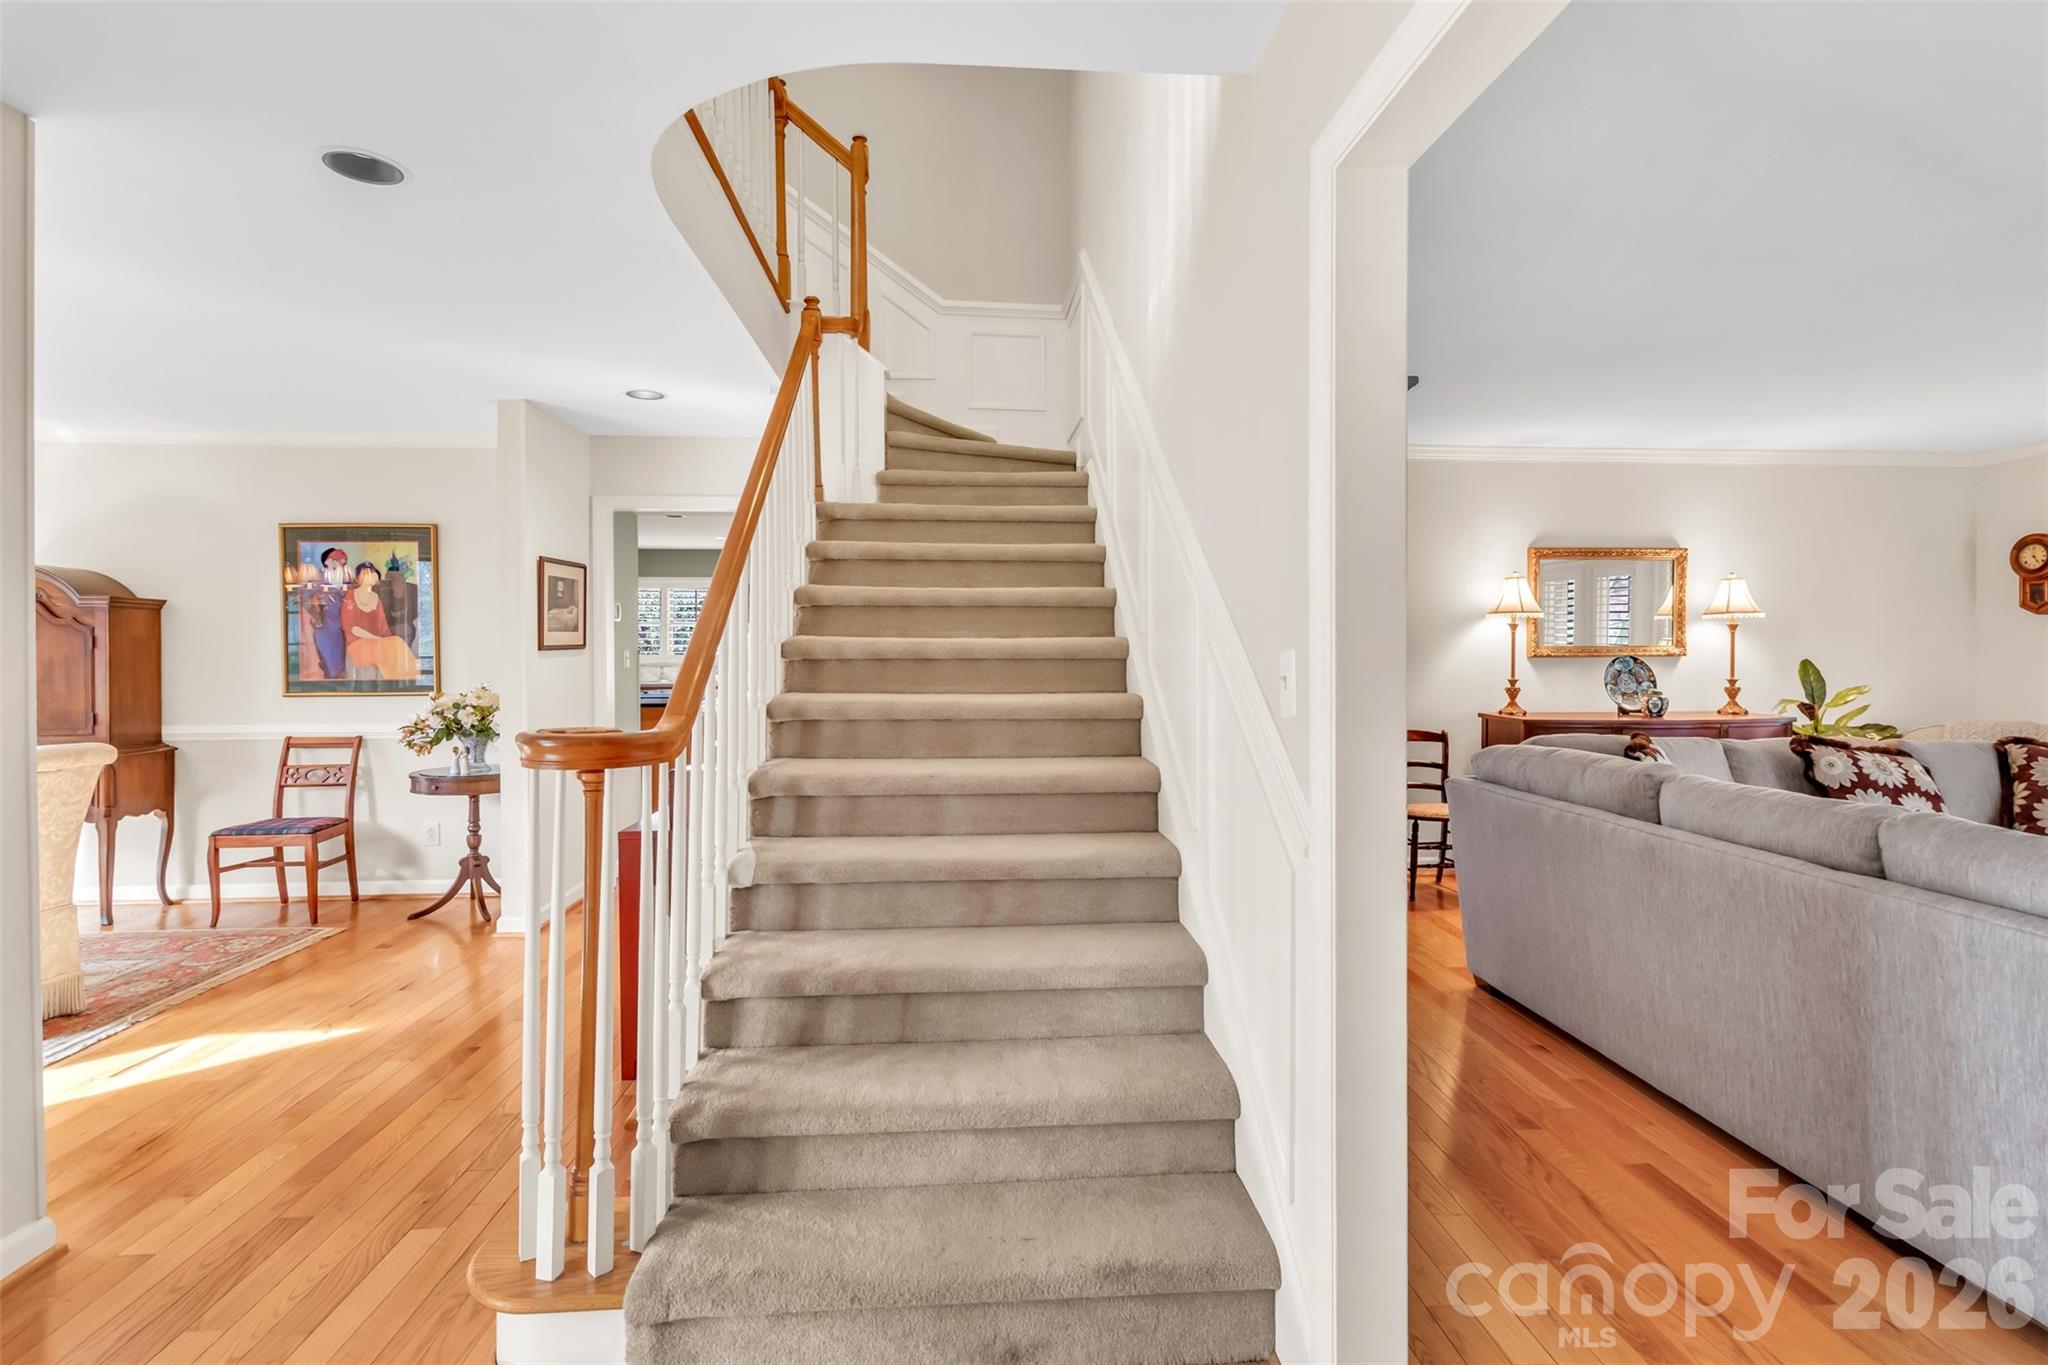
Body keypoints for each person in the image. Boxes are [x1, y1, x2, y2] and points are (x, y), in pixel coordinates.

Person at [342, 562, 418, 680]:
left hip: (377, 642)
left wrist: (386, 639)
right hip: (358, 644)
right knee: (389, 645)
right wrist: (378, 639)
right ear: (359, 577)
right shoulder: (350, 596)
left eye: (374, 572)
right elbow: (351, 628)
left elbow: (383, 627)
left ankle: (408, 680)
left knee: (396, 642)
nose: (372, 575)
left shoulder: (376, 598)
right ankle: (398, 680)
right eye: (367, 573)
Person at [304, 546, 350, 679]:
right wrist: (316, 601)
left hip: (344, 621)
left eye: (341, 561)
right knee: (328, 655)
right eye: (333, 560)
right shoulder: (319, 576)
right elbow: (306, 594)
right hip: (325, 622)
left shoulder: (345, 576)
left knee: (342, 655)